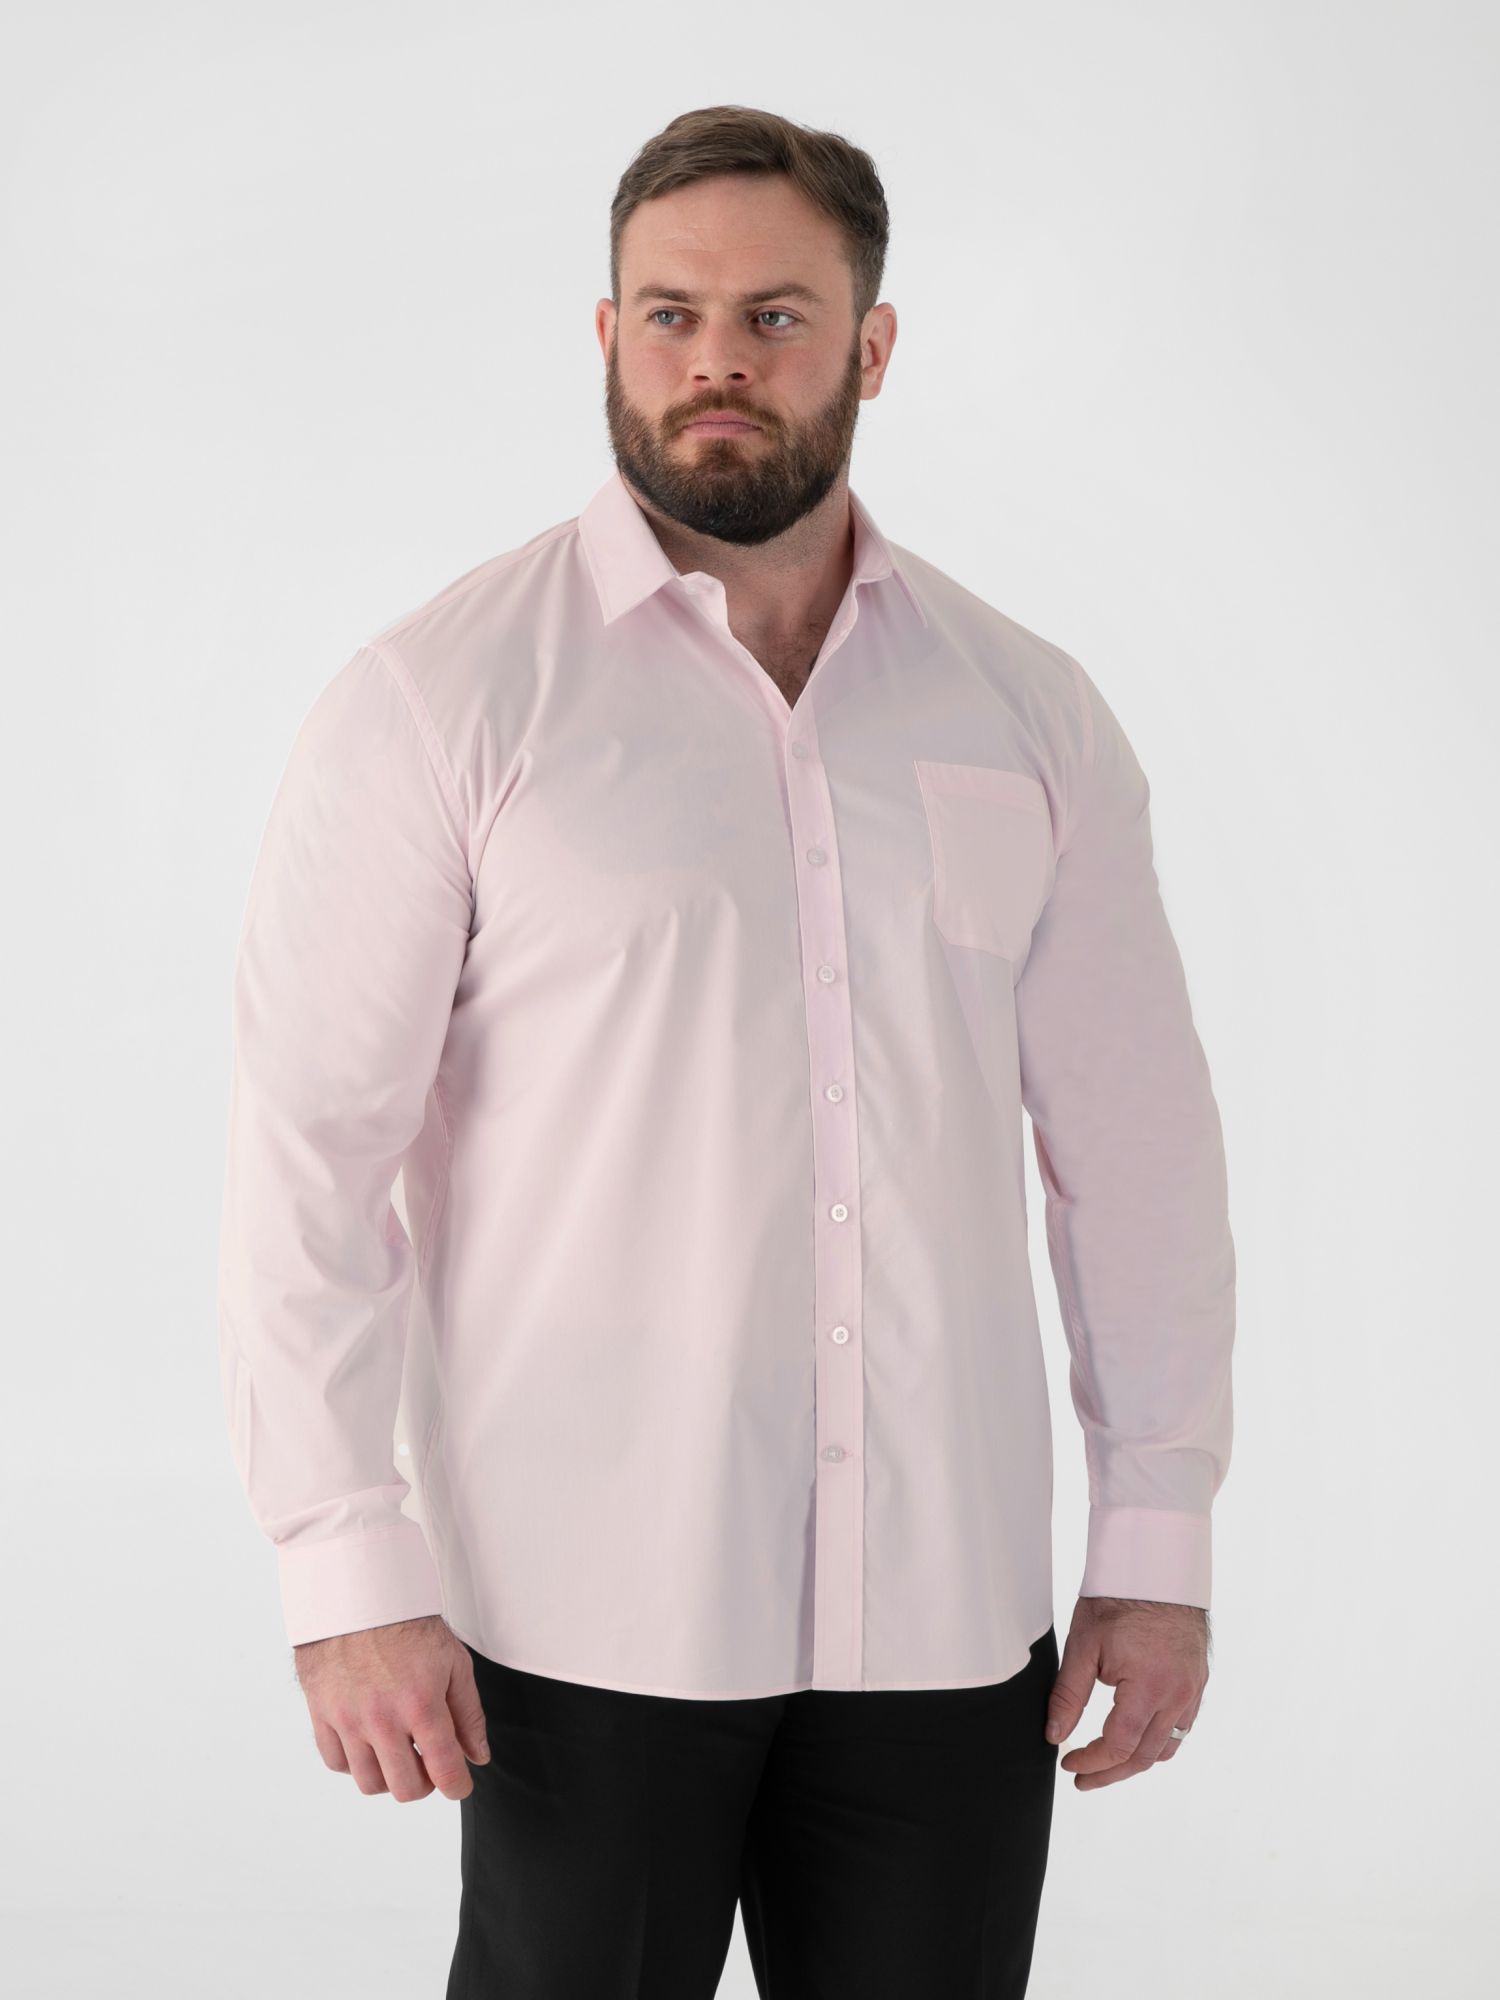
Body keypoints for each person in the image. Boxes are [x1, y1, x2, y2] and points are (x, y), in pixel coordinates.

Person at [217, 103, 1236, 2000]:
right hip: (580, 1625)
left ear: (872, 345)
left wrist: (1155, 1535)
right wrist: (345, 1568)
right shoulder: (440, 702)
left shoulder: (1028, 712)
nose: (717, 361)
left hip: (948, 1621)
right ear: (607, 335)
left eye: (776, 316)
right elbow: (307, 1161)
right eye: (672, 315)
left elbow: (1141, 1154)